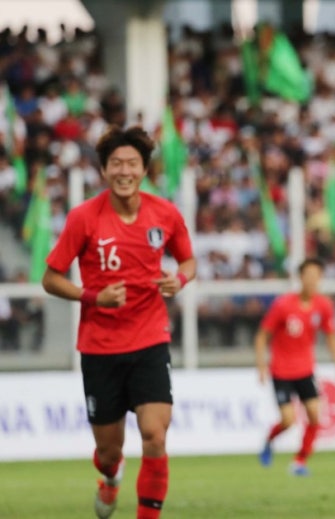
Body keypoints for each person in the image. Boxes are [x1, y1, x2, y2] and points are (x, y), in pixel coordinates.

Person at [41, 125, 196, 519]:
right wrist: (93, 296)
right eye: (116, 163)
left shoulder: (165, 213)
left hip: (150, 340)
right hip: (99, 347)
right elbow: (51, 277)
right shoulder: (83, 218)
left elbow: (188, 261)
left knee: (155, 436)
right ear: (105, 171)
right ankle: (110, 479)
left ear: (144, 170)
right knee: (109, 452)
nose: (124, 170)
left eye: (132, 163)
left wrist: (177, 280)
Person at [255, 257, 335, 476]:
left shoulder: (323, 305)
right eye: (309, 275)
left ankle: (299, 461)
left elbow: (331, 336)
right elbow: (261, 336)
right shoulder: (283, 304)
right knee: (288, 420)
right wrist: (261, 366)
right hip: (281, 371)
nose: (313, 280)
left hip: (305, 370)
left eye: (317, 276)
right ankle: (269, 441)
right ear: (300, 277)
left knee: (315, 415)